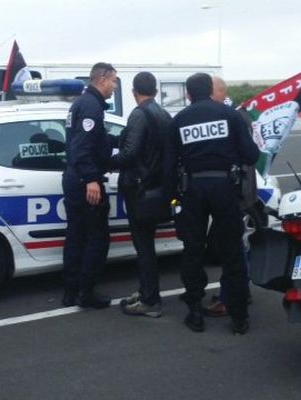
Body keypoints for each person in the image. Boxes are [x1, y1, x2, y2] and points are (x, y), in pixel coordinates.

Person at [169, 73, 259, 335]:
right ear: (211, 91)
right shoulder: (229, 115)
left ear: (188, 94)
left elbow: (170, 163)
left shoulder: (179, 121)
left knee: (193, 249)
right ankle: (239, 318)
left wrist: (171, 196)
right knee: (231, 250)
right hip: (224, 187)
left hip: (192, 190)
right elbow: (251, 154)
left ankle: (195, 313)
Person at [111, 72, 172, 318]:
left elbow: (130, 153)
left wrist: (105, 161)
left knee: (143, 245)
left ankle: (149, 299)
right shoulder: (163, 114)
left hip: (140, 188)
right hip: (158, 188)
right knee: (148, 244)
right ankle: (147, 291)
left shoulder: (139, 114)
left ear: (134, 91)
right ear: (155, 91)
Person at [61, 62, 118, 309]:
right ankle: (86, 292)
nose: (114, 87)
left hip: (73, 178)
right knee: (97, 238)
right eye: (114, 81)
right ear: (103, 79)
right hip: (84, 181)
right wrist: (91, 179)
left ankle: (71, 291)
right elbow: (81, 147)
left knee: (76, 236)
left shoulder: (80, 104)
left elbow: (94, 139)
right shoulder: (91, 107)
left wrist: (120, 139)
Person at [204, 76, 257, 318]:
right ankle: (237, 292)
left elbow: (247, 154)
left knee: (232, 246)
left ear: (217, 92)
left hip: (237, 190)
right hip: (234, 189)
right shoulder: (232, 113)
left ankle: (231, 297)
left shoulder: (234, 115)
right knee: (232, 245)